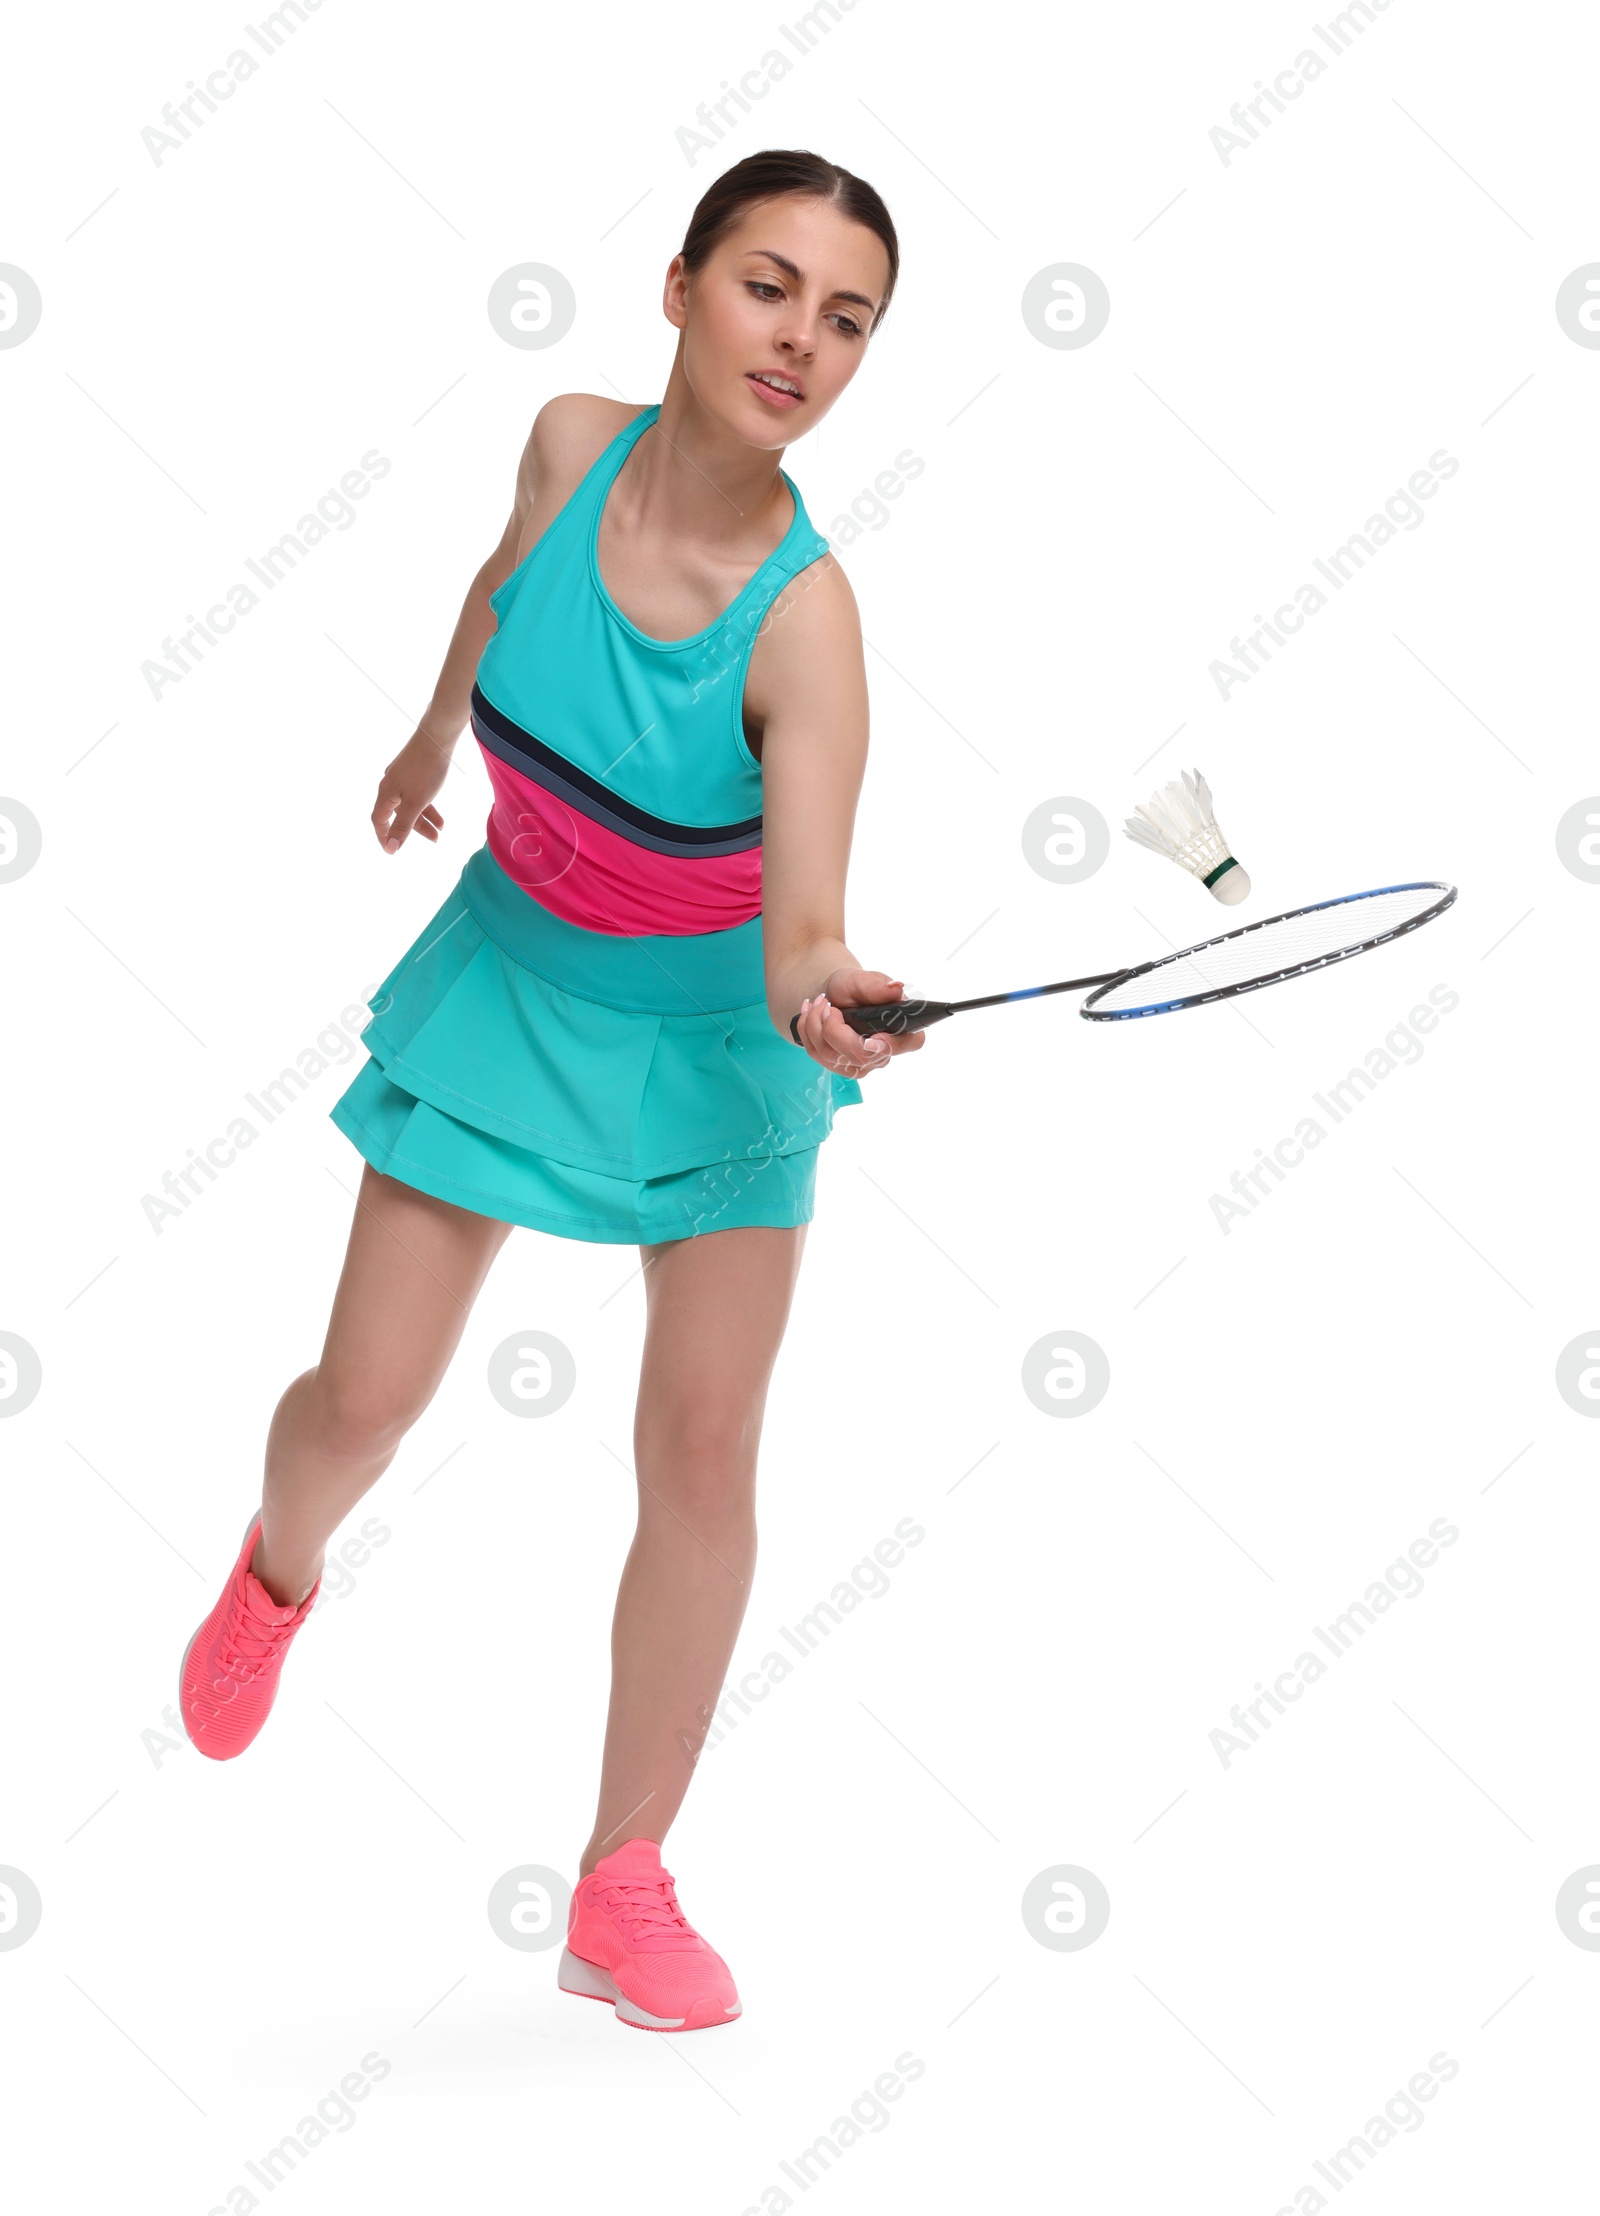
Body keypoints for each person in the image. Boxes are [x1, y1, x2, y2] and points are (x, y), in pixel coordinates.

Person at [176, 147, 922, 2033]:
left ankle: (621, 1880)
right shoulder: (566, 438)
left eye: (847, 321)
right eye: (770, 288)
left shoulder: (811, 625)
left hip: (712, 1047)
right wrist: (435, 732)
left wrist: (829, 990)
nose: (802, 343)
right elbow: (502, 589)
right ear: (678, 286)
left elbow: (803, 911)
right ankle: (274, 1579)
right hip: (516, 981)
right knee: (359, 1402)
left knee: (699, 1454)